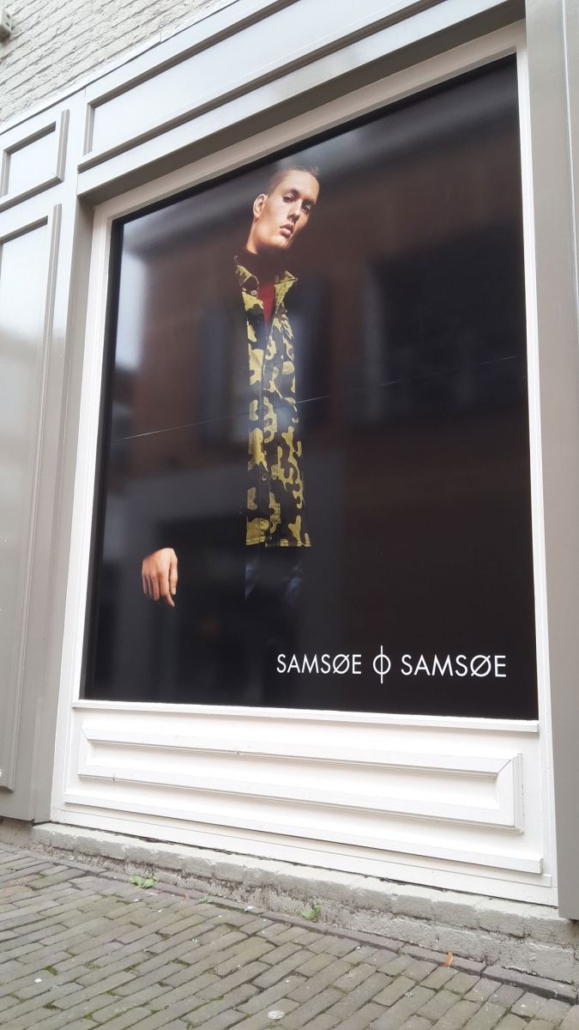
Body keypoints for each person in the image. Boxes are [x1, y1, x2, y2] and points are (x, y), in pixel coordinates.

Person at [141, 165, 320, 608]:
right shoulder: (215, 285)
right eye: (289, 198)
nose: (296, 213)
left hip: (288, 501)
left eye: (307, 207)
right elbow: (162, 410)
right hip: (221, 498)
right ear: (260, 204)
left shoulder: (299, 289)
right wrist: (155, 542)